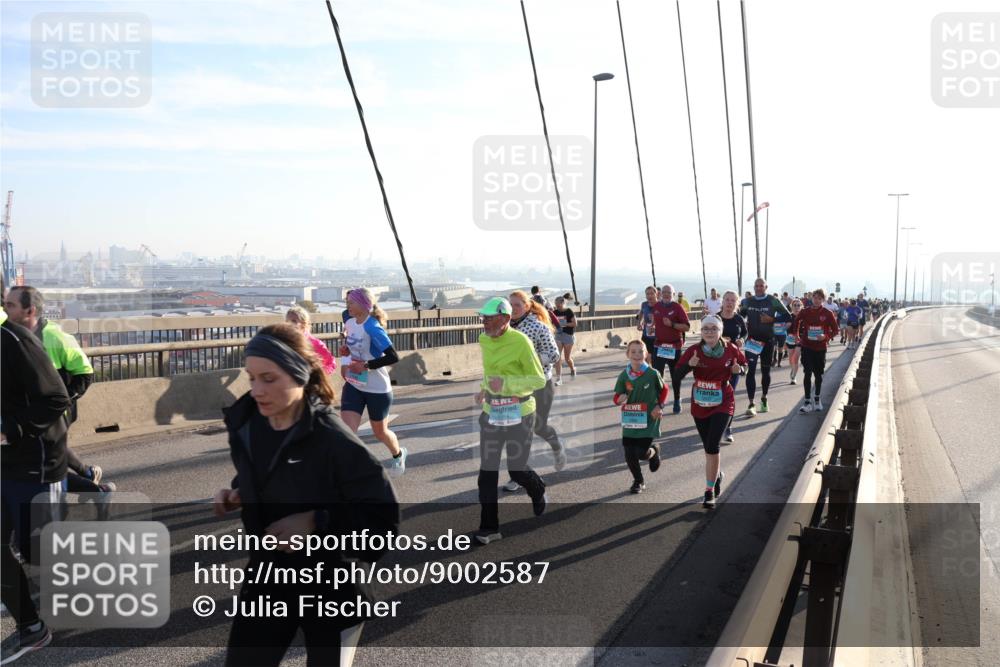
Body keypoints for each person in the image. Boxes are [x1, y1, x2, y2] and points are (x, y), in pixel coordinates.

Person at [214, 323, 400, 666]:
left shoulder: (333, 438)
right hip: (270, 576)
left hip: (334, 583)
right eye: (251, 378)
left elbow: (382, 523)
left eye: (269, 379)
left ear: (299, 374)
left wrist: (317, 520)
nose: (257, 390)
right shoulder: (249, 423)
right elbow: (266, 471)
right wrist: (241, 491)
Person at [1, 317, 71, 664]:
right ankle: (31, 627)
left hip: (33, 464)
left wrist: (10, 429)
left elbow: (57, 398)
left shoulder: (16, 342)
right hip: (4, 465)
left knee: (38, 553)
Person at [3, 286, 112, 495]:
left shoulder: (55, 336)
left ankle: (92, 482)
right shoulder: (10, 337)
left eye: (10, 305)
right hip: (27, 412)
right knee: (36, 462)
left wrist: (64, 403)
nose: (5, 309)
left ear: (30, 310)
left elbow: (85, 373)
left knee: (44, 461)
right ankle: (91, 480)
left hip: (54, 410)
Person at [473, 297, 548, 545]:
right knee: (487, 473)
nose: (484, 322)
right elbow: (491, 371)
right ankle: (489, 528)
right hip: (492, 412)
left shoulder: (521, 341)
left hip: (520, 412)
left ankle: (537, 488)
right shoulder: (484, 339)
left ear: (505, 319)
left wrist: (506, 385)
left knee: (516, 469)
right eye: (483, 317)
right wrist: (484, 388)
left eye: (489, 318)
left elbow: (538, 379)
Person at [674, 315, 747, 509]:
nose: (709, 332)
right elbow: (676, 375)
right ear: (701, 331)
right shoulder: (694, 350)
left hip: (723, 401)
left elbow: (744, 366)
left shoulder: (731, 349)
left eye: (714, 328)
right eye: (706, 328)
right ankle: (717, 474)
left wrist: (739, 370)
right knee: (708, 446)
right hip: (700, 403)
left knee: (713, 445)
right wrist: (689, 366)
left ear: (720, 331)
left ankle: (709, 490)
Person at [502, 291, 565, 493]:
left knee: (538, 427)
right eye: (510, 305)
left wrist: (530, 361)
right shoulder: (505, 328)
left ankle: (556, 445)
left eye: (517, 305)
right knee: (517, 430)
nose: (513, 309)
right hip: (515, 387)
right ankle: (518, 474)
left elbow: (554, 355)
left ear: (527, 306)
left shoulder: (538, 326)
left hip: (540, 385)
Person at [339, 288, 407, 476]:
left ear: (364, 305)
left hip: (377, 389)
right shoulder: (349, 321)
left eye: (351, 302)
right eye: (347, 302)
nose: (348, 305)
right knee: (347, 432)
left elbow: (393, 357)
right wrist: (346, 351)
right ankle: (352, 472)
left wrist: (366, 365)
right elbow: (353, 345)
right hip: (354, 384)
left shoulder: (373, 327)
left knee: (380, 432)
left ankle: (398, 454)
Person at [612, 340, 666, 494]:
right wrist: (619, 399)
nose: (637, 354)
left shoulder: (652, 373)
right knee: (629, 453)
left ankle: (654, 451)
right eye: (633, 351)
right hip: (631, 417)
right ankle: (638, 481)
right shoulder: (624, 375)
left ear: (646, 354)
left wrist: (659, 406)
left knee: (641, 453)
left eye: (640, 351)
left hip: (649, 417)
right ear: (627, 354)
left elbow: (664, 390)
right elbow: (616, 397)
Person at [739, 278, 791, 416]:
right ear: (754, 287)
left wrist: (772, 319)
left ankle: (764, 398)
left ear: (766, 287)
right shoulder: (748, 301)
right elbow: (739, 317)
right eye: (756, 286)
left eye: (761, 286)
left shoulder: (773, 300)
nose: (758, 288)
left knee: (765, 372)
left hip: (768, 341)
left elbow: (788, 316)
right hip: (752, 341)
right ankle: (751, 404)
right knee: (750, 371)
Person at [794, 289, 840, 413]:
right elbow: (796, 321)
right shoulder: (805, 311)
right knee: (807, 373)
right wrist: (797, 335)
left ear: (823, 300)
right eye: (815, 298)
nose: (817, 300)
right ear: (812, 298)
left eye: (819, 298)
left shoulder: (828, 313)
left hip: (820, 348)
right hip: (807, 346)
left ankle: (817, 399)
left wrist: (825, 336)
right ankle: (807, 402)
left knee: (818, 375)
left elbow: (836, 330)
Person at [652, 284, 691, 414]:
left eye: (669, 292)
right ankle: (659, 402)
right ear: (660, 294)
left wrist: (672, 324)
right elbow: (650, 316)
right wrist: (650, 325)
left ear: (673, 294)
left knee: (675, 376)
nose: (666, 294)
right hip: (659, 346)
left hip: (674, 347)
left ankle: (677, 399)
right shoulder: (656, 306)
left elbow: (687, 327)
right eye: (664, 292)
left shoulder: (677, 307)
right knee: (658, 376)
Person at [719, 291, 747, 443]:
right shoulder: (716, 318)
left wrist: (742, 339)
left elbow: (745, 333)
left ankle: (728, 427)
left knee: (730, 395)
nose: (729, 303)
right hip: (717, 361)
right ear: (722, 301)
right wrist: (720, 340)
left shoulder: (738, 319)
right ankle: (715, 423)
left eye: (733, 300)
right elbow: (706, 334)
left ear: (737, 304)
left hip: (734, 362)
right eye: (727, 300)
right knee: (718, 394)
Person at [285, 305, 336, 375]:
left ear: (304, 324)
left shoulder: (316, 344)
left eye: (294, 321)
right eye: (287, 321)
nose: (289, 324)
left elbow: (330, 363)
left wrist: (318, 376)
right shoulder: (283, 341)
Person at [552, 296, 577, 385]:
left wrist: (564, 323)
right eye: (556, 305)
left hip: (568, 335)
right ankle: (559, 378)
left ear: (563, 303)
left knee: (567, 358)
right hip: (558, 335)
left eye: (558, 305)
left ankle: (573, 368)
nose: (557, 307)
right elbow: (551, 323)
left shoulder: (569, 311)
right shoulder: (554, 312)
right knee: (558, 357)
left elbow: (574, 324)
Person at [635, 286, 659, 364]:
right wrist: (639, 323)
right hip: (646, 335)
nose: (649, 296)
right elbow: (641, 313)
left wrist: (655, 320)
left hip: (657, 337)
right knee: (644, 358)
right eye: (647, 294)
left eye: (652, 294)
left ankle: (655, 371)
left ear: (656, 294)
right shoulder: (644, 304)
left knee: (655, 360)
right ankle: (646, 371)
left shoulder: (660, 305)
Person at [785, 298, 804, 384]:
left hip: (799, 340)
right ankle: (793, 369)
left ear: (801, 307)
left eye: (798, 305)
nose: (796, 307)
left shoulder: (803, 317)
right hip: (790, 339)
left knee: (796, 358)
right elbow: (782, 328)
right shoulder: (788, 316)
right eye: (795, 305)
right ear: (791, 307)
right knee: (791, 359)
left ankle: (794, 377)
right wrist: (786, 326)